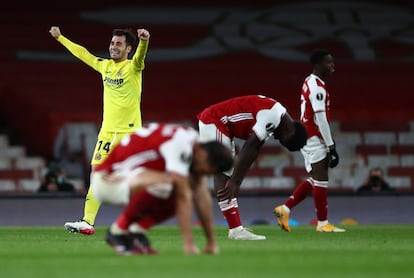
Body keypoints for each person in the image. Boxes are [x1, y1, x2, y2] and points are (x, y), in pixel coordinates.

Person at [49, 26, 150, 235]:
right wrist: (61, 38)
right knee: (97, 174)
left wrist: (144, 41)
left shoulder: (133, 68)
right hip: (107, 132)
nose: (113, 47)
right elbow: (83, 54)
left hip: (129, 132)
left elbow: (140, 56)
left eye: (119, 44)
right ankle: (87, 221)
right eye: (112, 43)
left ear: (128, 48)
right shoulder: (105, 67)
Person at [91, 123, 233, 255]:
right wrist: (189, 244)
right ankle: (118, 231)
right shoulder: (182, 146)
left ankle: (136, 231)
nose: (205, 175)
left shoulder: (191, 142)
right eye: (208, 171)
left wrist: (211, 242)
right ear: (204, 155)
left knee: (182, 184)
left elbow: (202, 194)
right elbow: (184, 196)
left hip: (127, 176)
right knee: (174, 184)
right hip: (107, 181)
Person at [197, 94, 308, 240]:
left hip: (222, 124)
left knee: (227, 170)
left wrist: (237, 180)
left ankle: (235, 229)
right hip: (214, 120)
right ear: (290, 132)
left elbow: (255, 149)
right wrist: (236, 181)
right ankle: (235, 230)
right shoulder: (273, 116)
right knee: (223, 171)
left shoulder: (277, 116)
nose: (278, 139)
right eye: (283, 141)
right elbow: (250, 146)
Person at [274, 49, 345, 233]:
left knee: (315, 179)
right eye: (329, 63)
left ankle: (285, 209)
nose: (332, 66)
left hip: (309, 134)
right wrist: (331, 145)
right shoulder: (317, 87)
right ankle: (322, 224)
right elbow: (320, 118)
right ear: (318, 65)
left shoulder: (310, 81)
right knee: (321, 180)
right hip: (314, 135)